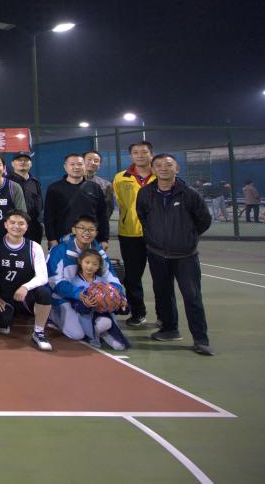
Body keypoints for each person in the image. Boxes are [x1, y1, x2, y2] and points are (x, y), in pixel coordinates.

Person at [137, 153, 214, 356]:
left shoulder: (190, 194)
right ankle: (170, 329)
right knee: (163, 293)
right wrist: (154, 239)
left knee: (192, 296)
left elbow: (204, 220)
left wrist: (187, 237)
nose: (164, 168)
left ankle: (201, 339)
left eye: (168, 164)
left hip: (185, 256)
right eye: (159, 165)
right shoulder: (145, 194)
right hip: (156, 254)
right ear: (153, 170)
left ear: (176, 168)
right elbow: (143, 217)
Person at [46, 215, 127, 346]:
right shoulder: (59, 251)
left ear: (96, 233)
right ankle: (52, 314)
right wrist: (79, 294)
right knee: (76, 334)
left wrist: (118, 294)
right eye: (82, 228)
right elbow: (54, 282)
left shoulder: (99, 252)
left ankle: (93, 325)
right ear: (74, 230)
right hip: (62, 297)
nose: (86, 232)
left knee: (108, 325)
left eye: (91, 229)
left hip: (90, 298)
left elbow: (111, 277)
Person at [0, 210, 53, 351]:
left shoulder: (34, 247)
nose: (16, 226)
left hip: (23, 296)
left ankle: (39, 332)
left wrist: (25, 287)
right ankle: (7, 316)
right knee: (4, 324)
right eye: (12, 222)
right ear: (5, 224)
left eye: (21, 223)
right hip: (2, 297)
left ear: (26, 227)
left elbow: (42, 276)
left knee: (44, 292)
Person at [112, 141, 156, 327]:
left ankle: (166, 317)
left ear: (151, 154)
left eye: (144, 152)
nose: (140, 155)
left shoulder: (160, 176)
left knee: (162, 278)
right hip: (129, 234)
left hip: (158, 236)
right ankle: (138, 313)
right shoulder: (121, 178)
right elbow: (120, 203)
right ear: (131, 156)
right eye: (136, 152)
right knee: (132, 277)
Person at [64, 249, 131, 350]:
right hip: (84, 317)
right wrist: (86, 304)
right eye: (87, 262)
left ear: (99, 266)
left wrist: (122, 305)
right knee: (104, 322)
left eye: (94, 264)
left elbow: (118, 307)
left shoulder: (103, 283)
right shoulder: (75, 282)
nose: (90, 266)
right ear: (80, 262)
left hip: (104, 315)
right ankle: (93, 335)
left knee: (120, 346)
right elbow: (75, 305)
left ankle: (102, 333)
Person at [44, 154, 108, 250]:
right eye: (72, 164)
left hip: (90, 238)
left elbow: (102, 215)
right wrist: (51, 239)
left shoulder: (95, 187)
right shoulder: (54, 188)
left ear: (84, 166)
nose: (76, 167)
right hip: (62, 239)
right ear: (65, 167)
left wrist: (104, 239)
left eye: (79, 164)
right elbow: (49, 216)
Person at [9, 153, 44, 244]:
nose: (22, 162)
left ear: (30, 164)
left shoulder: (35, 183)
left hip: (33, 227)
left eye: (26, 160)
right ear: (12, 163)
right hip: (13, 228)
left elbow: (40, 206)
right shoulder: (6, 181)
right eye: (19, 160)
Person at [84, 150, 115, 217]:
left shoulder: (106, 185)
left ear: (99, 165)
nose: (92, 162)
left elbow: (108, 208)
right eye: (89, 159)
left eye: (96, 161)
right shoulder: (70, 181)